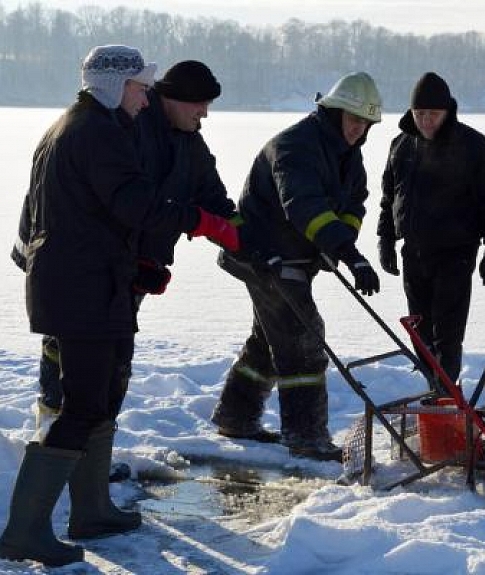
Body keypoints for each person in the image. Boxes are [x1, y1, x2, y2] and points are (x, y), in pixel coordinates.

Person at [0, 45, 239, 567]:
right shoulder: (93, 131)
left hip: (101, 282)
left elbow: (117, 212)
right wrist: (200, 221)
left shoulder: (103, 125)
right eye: (137, 86)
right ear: (111, 85)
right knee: (81, 403)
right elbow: (134, 203)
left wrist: (148, 259)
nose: (144, 95)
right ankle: (24, 532)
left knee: (102, 396)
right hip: (78, 287)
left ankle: (92, 510)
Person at [212, 72, 382, 462]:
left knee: (270, 339)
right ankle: (306, 437)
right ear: (335, 112)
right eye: (353, 120)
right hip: (263, 256)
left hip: (296, 258)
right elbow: (304, 206)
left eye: (365, 124)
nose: (358, 130)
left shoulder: (345, 153)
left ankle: (236, 417)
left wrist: (344, 246)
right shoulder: (296, 147)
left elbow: (354, 203)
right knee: (303, 337)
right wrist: (346, 253)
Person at [377, 72, 485, 387]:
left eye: (433, 114)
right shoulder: (401, 146)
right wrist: (385, 238)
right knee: (420, 333)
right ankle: (434, 390)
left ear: (448, 112)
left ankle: (445, 397)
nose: (425, 121)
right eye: (419, 114)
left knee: (447, 336)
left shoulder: (475, 148)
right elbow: (389, 197)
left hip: (455, 254)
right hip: (413, 253)